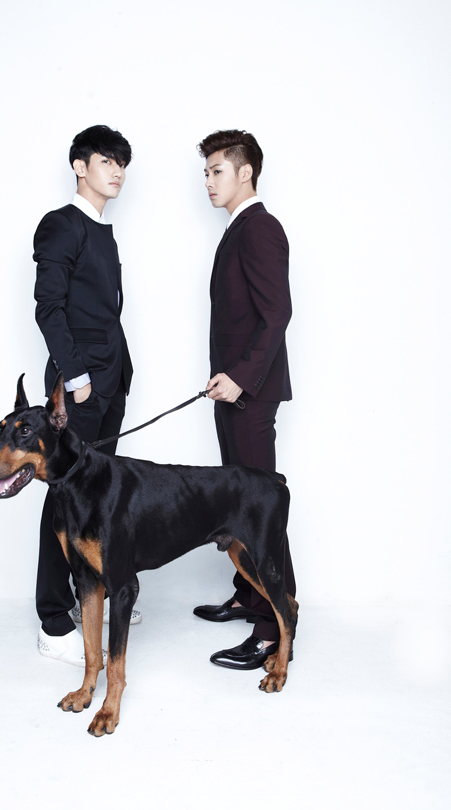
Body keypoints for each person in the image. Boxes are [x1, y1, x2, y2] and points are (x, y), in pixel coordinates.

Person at [33, 124, 140, 667]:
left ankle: (97, 590)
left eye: (122, 164)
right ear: (80, 166)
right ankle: (54, 617)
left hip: (110, 382)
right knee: (64, 497)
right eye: (106, 161)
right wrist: (74, 377)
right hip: (79, 387)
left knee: (100, 494)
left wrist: (112, 375)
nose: (117, 171)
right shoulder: (61, 224)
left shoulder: (104, 231)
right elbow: (48, 308)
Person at [194, 129, 296, 670]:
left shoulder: (260, 228)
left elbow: (277, 314)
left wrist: (240, 377)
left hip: (249, 395)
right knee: (238, 506)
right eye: (206, 172)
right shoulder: (238, 228)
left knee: (259, 512)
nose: (208, 181)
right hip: (232, 391)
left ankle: (273, 628)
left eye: (216, 171)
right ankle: (248, 595)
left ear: (245, 172)